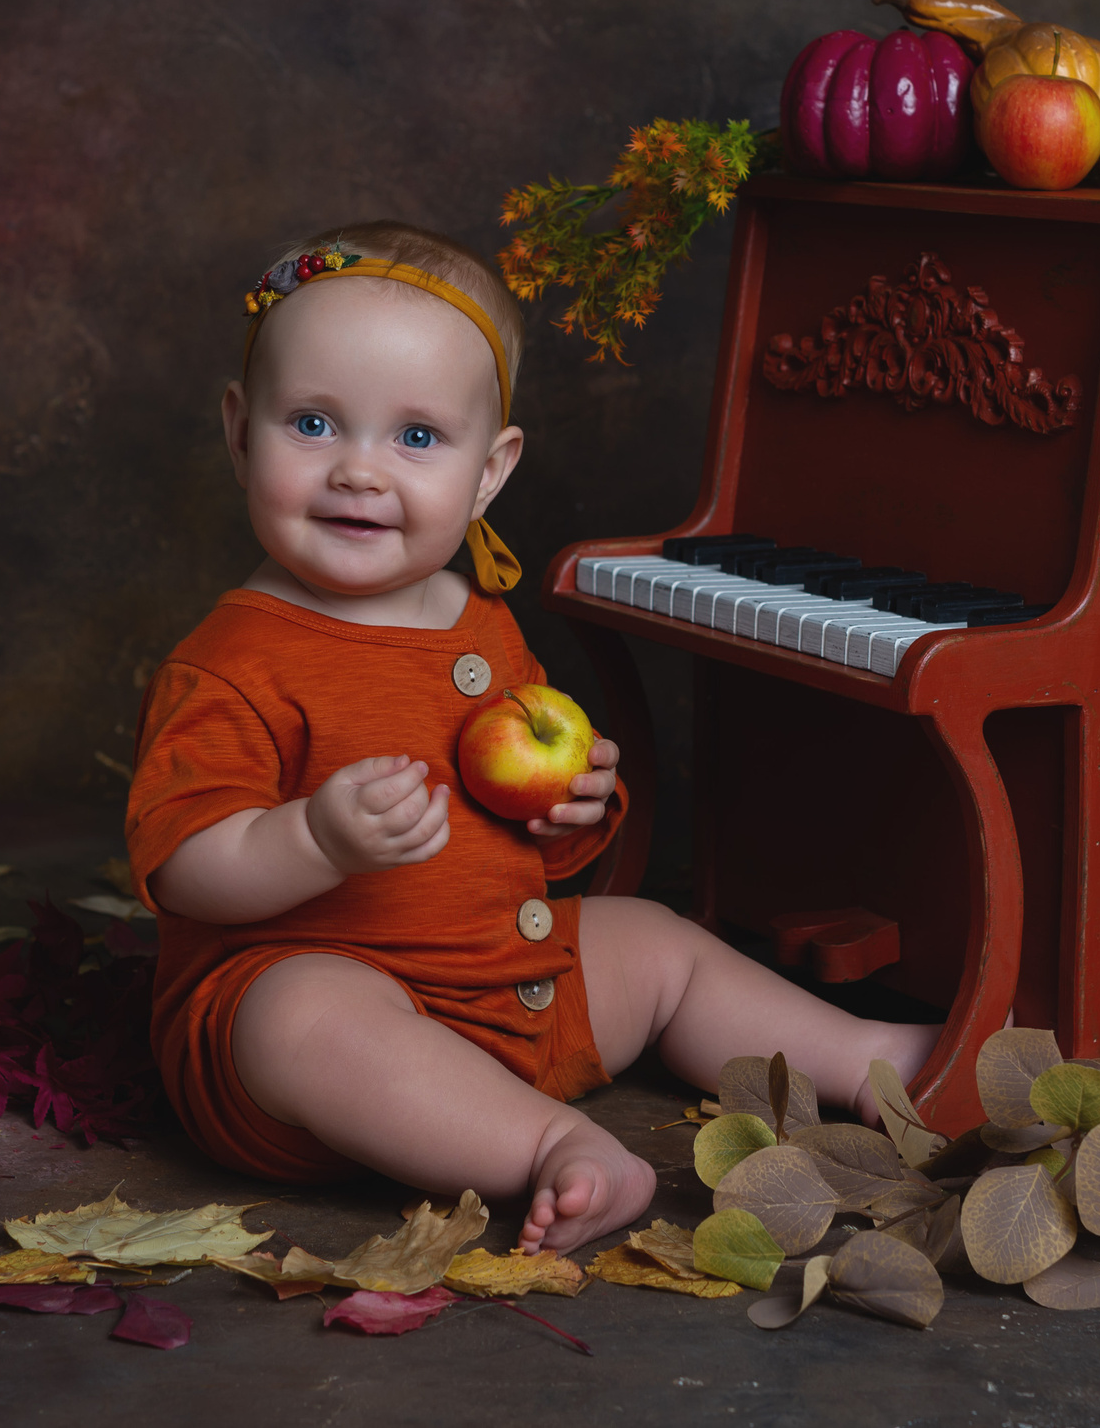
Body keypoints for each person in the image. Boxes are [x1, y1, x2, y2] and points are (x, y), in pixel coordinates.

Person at [124, 221, 939, 1253]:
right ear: (240, 430)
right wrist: (312, 841)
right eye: (315, 424)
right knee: (302, 1011)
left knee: (654, 940)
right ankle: (558, 1143)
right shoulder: (234, 658)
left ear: (489, 472)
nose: (361, 473)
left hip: (507, 991)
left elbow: (517, 846)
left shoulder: (481, 623)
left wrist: (573, 812)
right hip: (317, 1043)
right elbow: (185, 865)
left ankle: (863, 1054)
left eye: (416, 437)